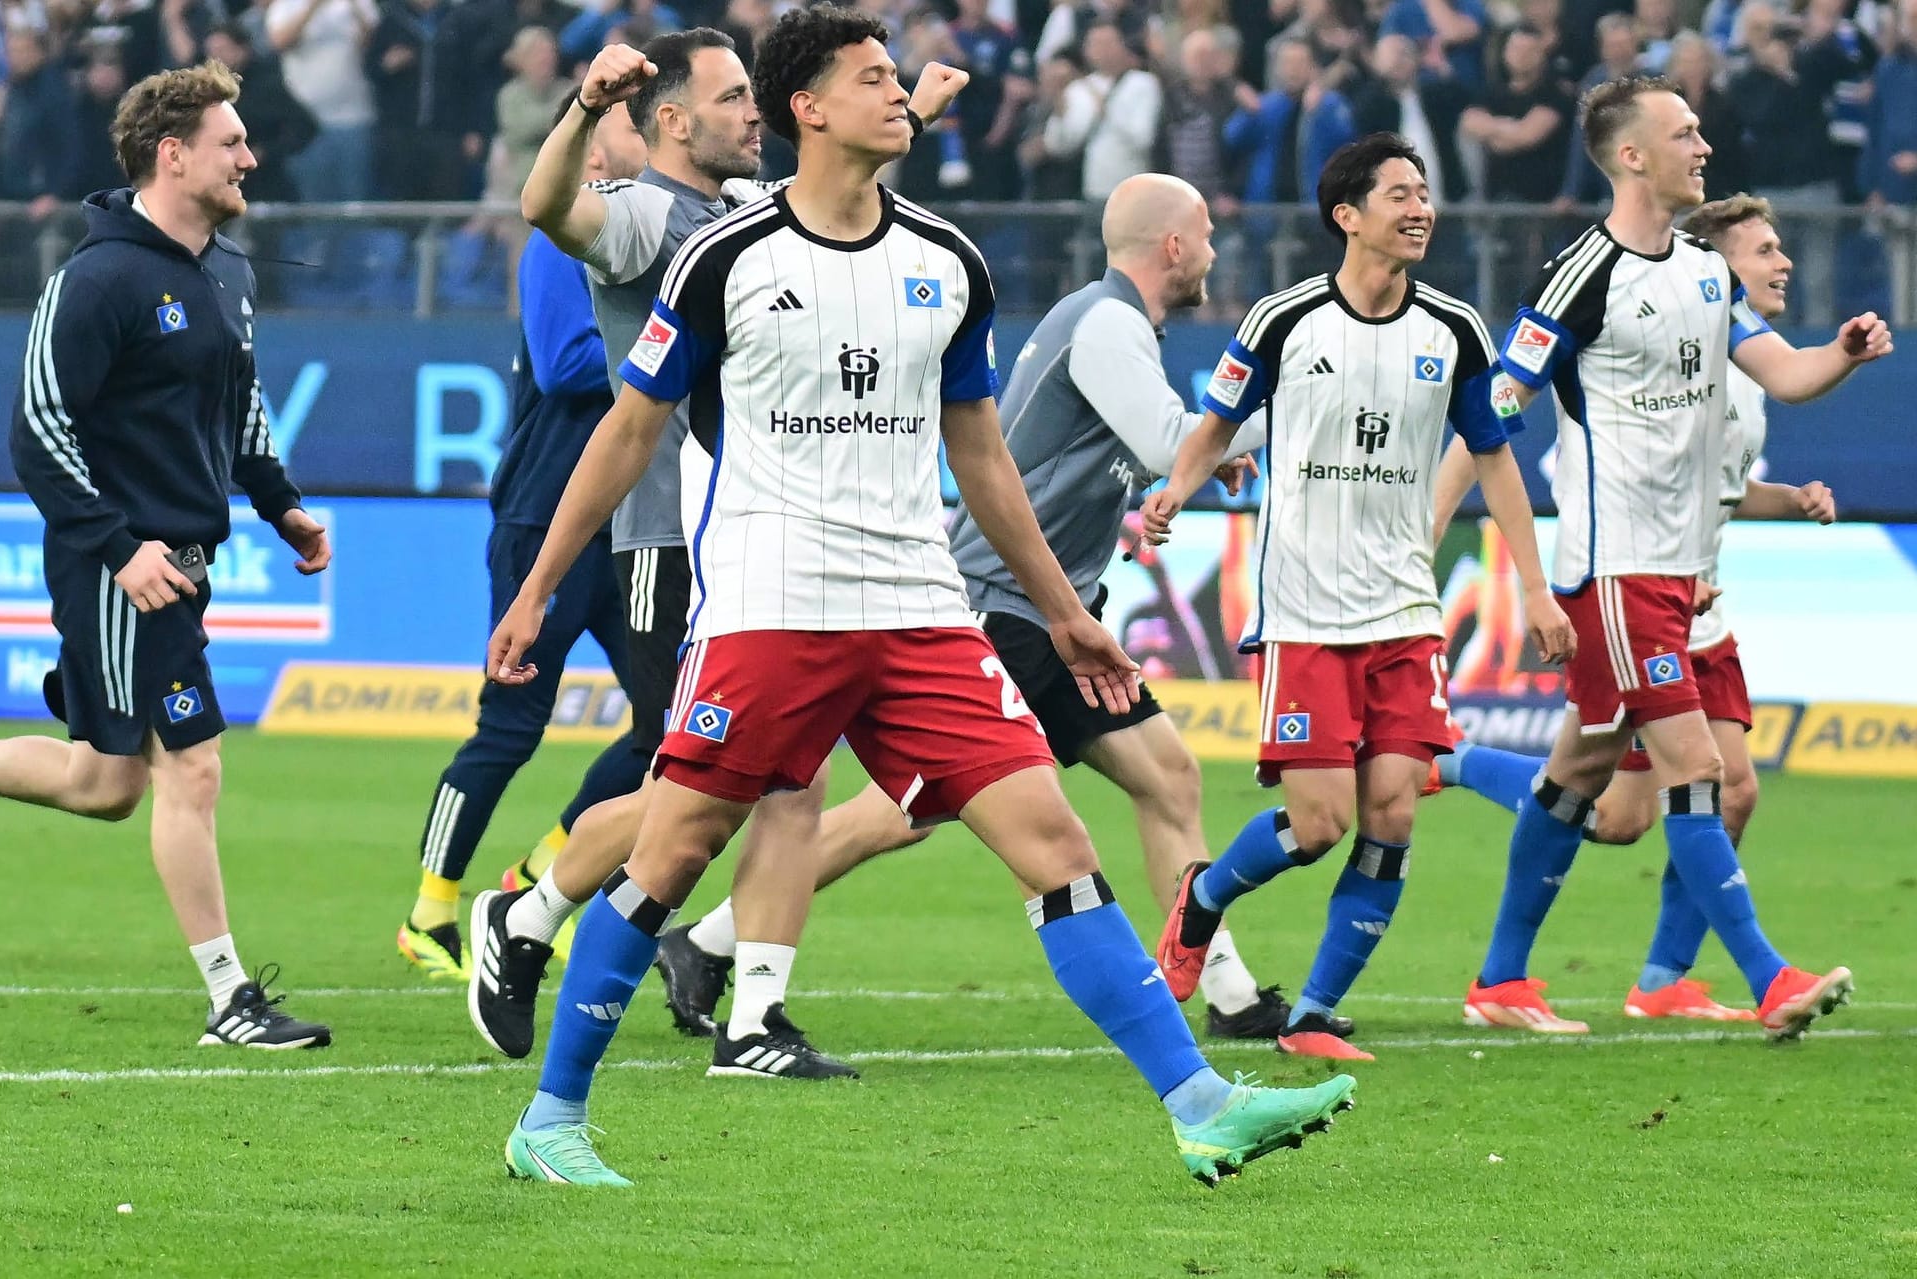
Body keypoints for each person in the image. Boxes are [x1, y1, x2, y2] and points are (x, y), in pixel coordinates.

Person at [486, 4, 1357, 1188]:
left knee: (1058, 840)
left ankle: (1200, 1103)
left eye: (898, 77)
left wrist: (1061, 609)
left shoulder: (946, 262)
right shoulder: (723, 260)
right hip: (769, 605)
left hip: (920, 608)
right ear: (811, 108)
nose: (900, 95)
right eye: (873, 77)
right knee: (676, 851)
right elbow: (630, 431)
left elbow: (985, 458)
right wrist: (538, 587)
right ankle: (549, 1123)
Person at [663, 172, 1298, 1043]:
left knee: (1161, 776)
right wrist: (1287, 416)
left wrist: (1199, 458)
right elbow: (1163, 439)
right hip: (1011, 604)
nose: (1216, 252)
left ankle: (1226, 991)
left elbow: (1153, 446)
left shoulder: (1104, 322)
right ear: (1174, 246)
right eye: (1208, 235)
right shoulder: (1109, 322)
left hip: (1036, 604)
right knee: (912, 812)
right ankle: (701, 937)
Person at [463, 32, 964, 1075]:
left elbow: (839, 184)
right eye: (736, 100)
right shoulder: (650, 213)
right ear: (675, 122)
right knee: (701, 785)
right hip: (663, 534)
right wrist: (577, 110)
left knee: (785, 781)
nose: (757, 115)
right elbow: (551, 210)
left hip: (754, 537)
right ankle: (527, 910)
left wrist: (909, 112)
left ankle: (753, 1019)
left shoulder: (746, 215)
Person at [1461, 75, 1889, 1040]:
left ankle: (1499, 978)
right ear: (1631, 156)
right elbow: (1493, 412)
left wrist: (1844, 352)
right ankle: (1769, 976)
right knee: (1700, 772)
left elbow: (1785, 369)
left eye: (1700, 130)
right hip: (1617, 572)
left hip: (1678, 575)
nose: (1704, 146)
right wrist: (1525, 573)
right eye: (1684, 133)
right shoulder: (1581, 275)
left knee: (1584, 781)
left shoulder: (1704, 271)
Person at [1141, 133, 1573, 1062]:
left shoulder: (1455, 330)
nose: (1421, 209)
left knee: (1393, 812)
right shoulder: (1283, 319)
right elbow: (1215, 421)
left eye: (1426, 194)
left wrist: (1534, 590)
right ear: (1348, 215)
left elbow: (1494, 456)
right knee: (1319, 823)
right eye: (1400, 195)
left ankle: (1311, 1015)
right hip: (1304, 611)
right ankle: (1204, 899)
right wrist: (1177, 487)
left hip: (1405, 612)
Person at [0, 60, 332, 1049]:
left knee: (110, 786)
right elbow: (38, 426)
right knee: (194, 769)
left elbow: (243, 405)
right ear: (171, 153)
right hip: (122, 569)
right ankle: (232, 999)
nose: (251, 158)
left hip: (185, 558)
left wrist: (282, 504)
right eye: (233, 143)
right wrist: (116, 547)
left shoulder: (227, 272)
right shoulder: (97, 277)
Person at [395, 90, 655, 985]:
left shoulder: (646, 239)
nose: (649, 135)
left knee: (668, 725)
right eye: (632, 123)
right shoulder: (559, 236)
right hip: (543, 518)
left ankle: (540, 873)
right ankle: (430, 910)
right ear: (585, 146)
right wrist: (677, 347)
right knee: (510, 726)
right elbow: (564, 361)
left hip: (628, 524)